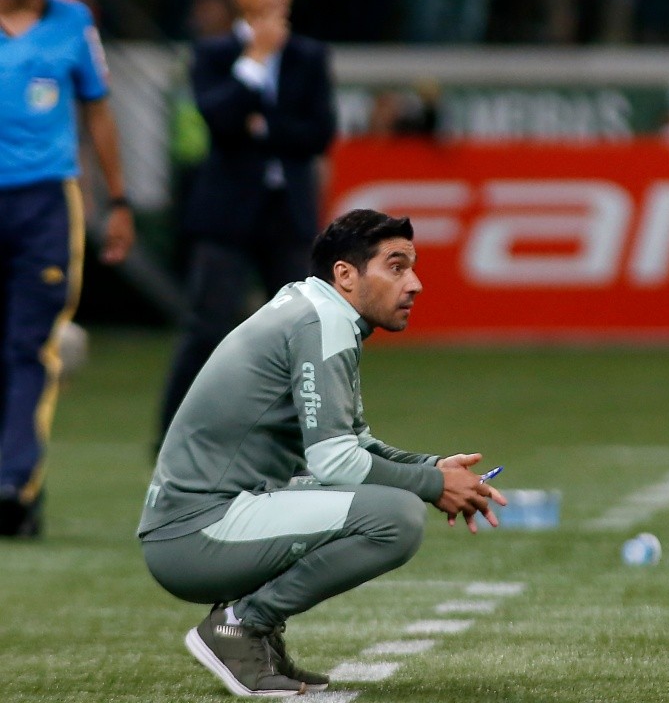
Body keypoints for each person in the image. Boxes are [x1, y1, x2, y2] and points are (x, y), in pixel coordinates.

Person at [139, 208, 506, 697]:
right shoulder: (321, 321)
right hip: (193, 534)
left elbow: (352, 443)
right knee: (395, 518)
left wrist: (429, 467)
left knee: (378, 500)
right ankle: (242, 626)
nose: (414, 283)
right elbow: (335, 463)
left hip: (197, 522)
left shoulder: (315, 310)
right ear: (345, 274)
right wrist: (433, 487)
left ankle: (254, 632)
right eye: (397, 267)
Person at [157, 0, 336, 453]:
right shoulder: (213, 53)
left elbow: (317, 134)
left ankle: (303, 442)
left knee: (302, 334)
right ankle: (174, 437)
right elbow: (219, 119)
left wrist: (259, 126)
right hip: (227, 212)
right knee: (207, 328)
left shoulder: (308, 55)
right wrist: (255, 61)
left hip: (289, 212)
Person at [0, 0, 135, 538]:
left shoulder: (74, 21)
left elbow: (99, 114)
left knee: (31, 347)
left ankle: (14, 484)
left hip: (47, 203)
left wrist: (120, 201)